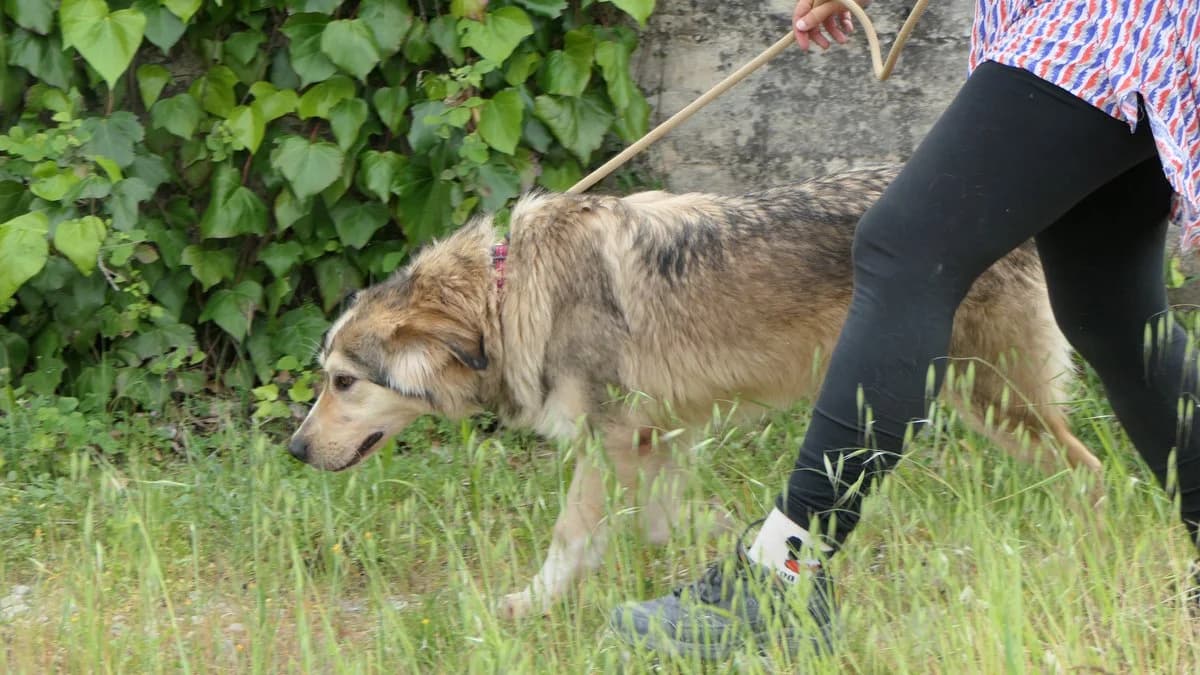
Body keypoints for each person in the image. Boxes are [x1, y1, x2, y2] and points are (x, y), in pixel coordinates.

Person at [609, 0, 1200, 660]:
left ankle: (782, 568)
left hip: (1107, 21)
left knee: (906, 248)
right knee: (1112, 314)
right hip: (1135, 26)